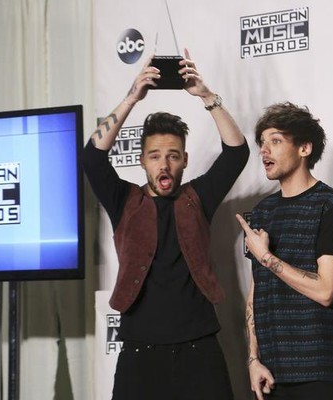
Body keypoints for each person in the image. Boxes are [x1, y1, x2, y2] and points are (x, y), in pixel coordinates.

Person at [82, 49, 249, 400]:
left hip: (199, 348)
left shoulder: (197, 197)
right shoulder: (123, 200)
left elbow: (237, 152)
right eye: (155, 156)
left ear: (185, 160)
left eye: (173, 156)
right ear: (141, 160)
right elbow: (92, 157)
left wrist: (206, 96)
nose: (164, 165)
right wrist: (132, 97)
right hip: (140, 352)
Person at [235, 102, 333, 400]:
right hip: (271, 374)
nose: (265, 151)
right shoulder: (262, 211)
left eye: (275, 141)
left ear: (304, 148)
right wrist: (253, 360)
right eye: (262, 143)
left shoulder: (330, 205)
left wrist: (266, 257)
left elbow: (326, 290)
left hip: (319, 371)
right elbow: (256, 291)